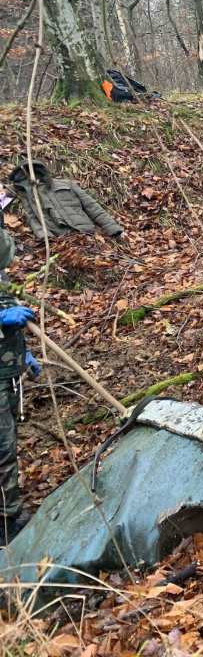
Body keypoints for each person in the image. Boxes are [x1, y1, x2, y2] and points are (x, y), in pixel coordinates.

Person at [0, 222, 39, 543]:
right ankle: (7, 521)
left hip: (6, 371)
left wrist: (24, 354)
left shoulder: (1, 276)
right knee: (1, 447)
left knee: (8, 443)